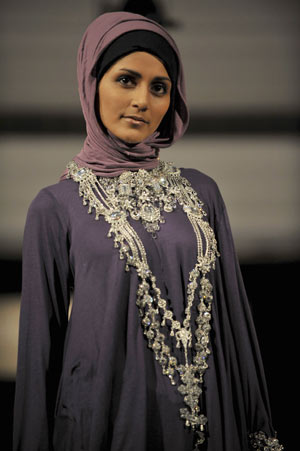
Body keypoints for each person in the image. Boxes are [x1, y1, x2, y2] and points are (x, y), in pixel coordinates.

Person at [13, 11, 284, 451]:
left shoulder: (202, 191)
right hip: (108, 419)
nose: (142, 99)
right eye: (126, 80)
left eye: (159, 87)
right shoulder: (55, 206)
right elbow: (37, 353)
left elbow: (236, 321)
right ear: (91, 83)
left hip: (211, 420)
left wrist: (258, 430)